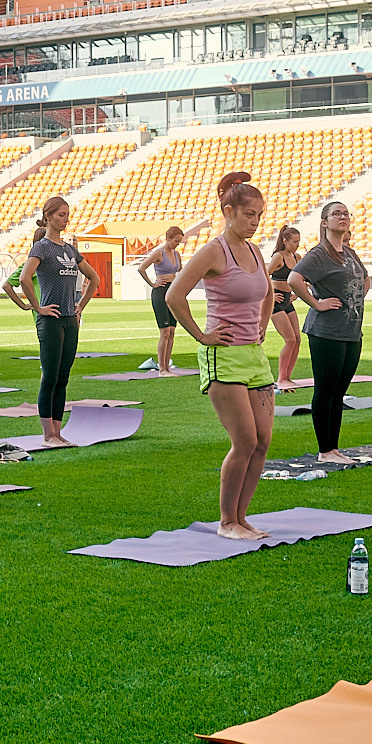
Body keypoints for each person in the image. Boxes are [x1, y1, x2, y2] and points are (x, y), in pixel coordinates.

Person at [169, 173, 276, 538]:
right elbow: (174, 296)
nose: (255, 221)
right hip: (224, 356)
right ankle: (227, 521)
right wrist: (201, 335)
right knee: (244, 440)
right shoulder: (215, 250)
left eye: (259, 215)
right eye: (249, 214)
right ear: (228, 211)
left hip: (254, 355)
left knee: (262, 442)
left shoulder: (255, 250)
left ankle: (242, 518)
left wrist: (262, 325)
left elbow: (268, 293)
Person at [286, 201, 369, 464]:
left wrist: (354, 297)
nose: (343, 217)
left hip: (351, 331)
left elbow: (365, 280)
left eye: (346, 213)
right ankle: (326, 450)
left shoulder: (350, 252)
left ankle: (334, 448)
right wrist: (317, 303)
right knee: (326, 390)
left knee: (339, 392)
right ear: (324, 222)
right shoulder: (319, 254)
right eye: (336, 213)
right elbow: (294, 279)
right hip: (326, 331)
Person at [14, 196, 95, 445]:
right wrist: (38, 307)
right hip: (50, 320)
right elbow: (24, 278)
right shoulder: (41, 247)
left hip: (70, 319)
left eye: (67, 214)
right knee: (49, 376)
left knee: (63, 377)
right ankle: (47, 434)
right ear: (48, 216)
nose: (66, 218)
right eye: (61, 214)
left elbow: (94, 278)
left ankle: (58, 433)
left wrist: (80, 306)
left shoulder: (70, 249)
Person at [135, 227, 187, 375]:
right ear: (168, 238)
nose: (177, 244)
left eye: (179, 241)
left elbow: (180, 271)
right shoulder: (159, 253)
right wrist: (152, 283)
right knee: (164, 332)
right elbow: (141, 268)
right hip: (161, 292)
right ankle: (162, 368)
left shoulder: (176, 254)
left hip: (173, 293)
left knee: (171, 331)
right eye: (176, 241)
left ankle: (167, 367)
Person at [266, 223, 304, 390]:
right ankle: (281, 378)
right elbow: (263, 276)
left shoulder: (298, 258)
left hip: (288, 301)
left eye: (298, 241)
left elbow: (301, 278)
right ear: (285, 240)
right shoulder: (278, 257)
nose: (297, 244)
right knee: (289, 340)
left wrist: (298, 292)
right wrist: (271, 295)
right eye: (294, 241)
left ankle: (288, 376)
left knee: (297, 339)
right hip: (276, 303)